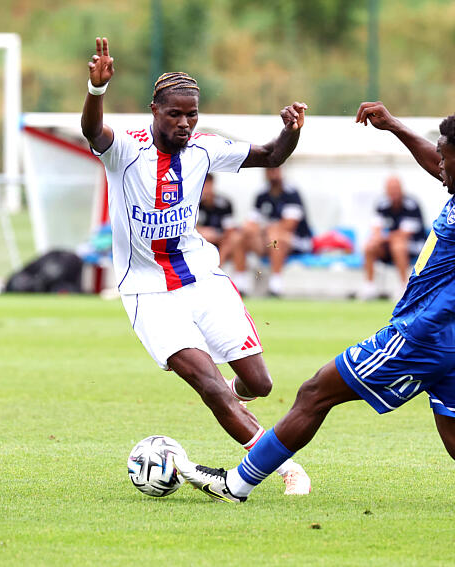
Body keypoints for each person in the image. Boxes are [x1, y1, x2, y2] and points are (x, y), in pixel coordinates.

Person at [176, 103, 455, 506]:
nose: (438, 161)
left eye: (445, 155)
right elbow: (437, 164)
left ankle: (236, 484)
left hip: (422, 335)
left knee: (315, 392)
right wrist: (394, 126)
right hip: (454, 340)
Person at [80, 37, 311, 495]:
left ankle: (228, 399)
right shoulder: (126, 150)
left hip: (202, 280)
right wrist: (96, 90)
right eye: (175, 114)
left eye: (192, 115)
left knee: (258, 384)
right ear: (154, 111)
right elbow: (93, 132)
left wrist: (291, 131)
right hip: (148, 291)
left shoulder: (204, 148)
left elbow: (270, 155)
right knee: (208, 383)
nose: (185, 123)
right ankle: (282, 467)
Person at [241, 167, 314, 297]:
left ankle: (276, 285)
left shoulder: (291, 194)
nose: (273, 173)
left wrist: (264, 229)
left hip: (298, 241)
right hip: (267, 239)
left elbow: (289, 225)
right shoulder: (261, 195)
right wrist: (259, 232)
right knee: (240, 236)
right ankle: (240, 283)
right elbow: (250, 224)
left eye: (275, 170)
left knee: (275, 237)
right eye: (270, 170)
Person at [359, 175, 426, 300]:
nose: (393, 191)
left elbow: (404, 234)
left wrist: (383, 238)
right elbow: (376, 228)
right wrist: (377, 238)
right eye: (390, 188)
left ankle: (403, 285)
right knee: (370, 246)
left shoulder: (412, 205)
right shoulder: (382, 204)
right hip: (389, 245)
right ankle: (369, 286)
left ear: (401, 189)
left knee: (398, 245)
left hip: (413, 245)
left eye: (396, 188)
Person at [195, 173, 247, 281]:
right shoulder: (193, 203)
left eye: (208, 184)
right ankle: (214, 274)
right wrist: (201, 231)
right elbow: (189, 228)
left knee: (235, 239)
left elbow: (230, 228)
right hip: (200, 241)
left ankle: (221, 273)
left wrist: (217, 236)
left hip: (221, 241)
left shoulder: (224, 203)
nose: (206, 188)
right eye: (204, 185)